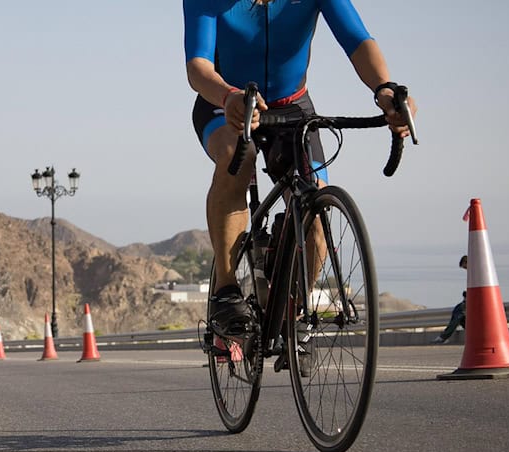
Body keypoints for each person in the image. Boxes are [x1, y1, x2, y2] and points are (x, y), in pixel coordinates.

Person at [183, 0, 418, 335]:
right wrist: (227, 97)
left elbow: (357, 39)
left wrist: (384, 88)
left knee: (317, 203)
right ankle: (226, 288)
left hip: (293, 106)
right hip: (226, 103)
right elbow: (198, 67)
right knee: (238, 155)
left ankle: (293, 313)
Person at [432, 255, 469, 344]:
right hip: (470, 299)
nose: (465, 269)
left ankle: (444, 336)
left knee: (459, 313)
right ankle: (471, 333)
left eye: (465, 267)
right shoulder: (475, 271)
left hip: (472, 300)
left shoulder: (474, 271)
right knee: (460, 315)